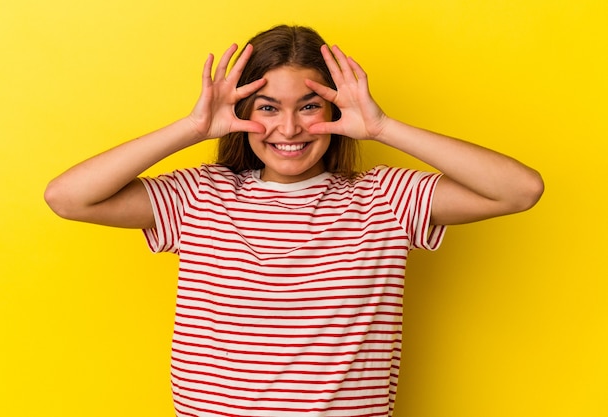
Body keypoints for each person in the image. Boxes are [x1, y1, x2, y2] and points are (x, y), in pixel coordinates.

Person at [44, 25, 543, 417]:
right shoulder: (200, 194)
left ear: (336, 109)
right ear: (242, 111)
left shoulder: (385, 198)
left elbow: (521, 190)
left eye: (310, 107)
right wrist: (192, 128)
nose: (289, 128)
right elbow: (68, 198)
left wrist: (383, 127)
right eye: (268, 108)